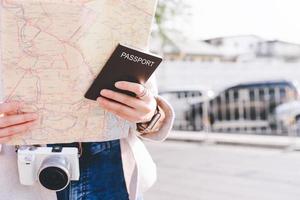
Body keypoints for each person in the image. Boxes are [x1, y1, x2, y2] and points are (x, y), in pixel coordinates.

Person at [0, 77, 174, 200]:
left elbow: (147, 103)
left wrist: (151, 115)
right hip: (20, 172)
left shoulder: (122, 25)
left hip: (113, 165)